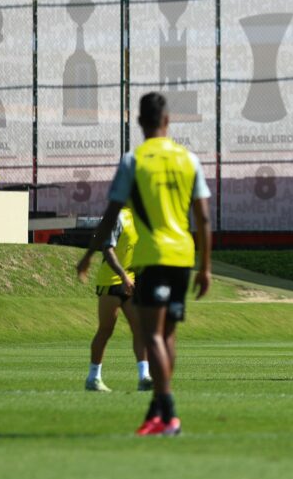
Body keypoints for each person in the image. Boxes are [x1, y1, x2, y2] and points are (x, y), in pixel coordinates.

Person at [77, 92, 212, 437]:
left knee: (151, 334)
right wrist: (207, 267)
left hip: (152, 258)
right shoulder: (189, 159)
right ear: (168, 121)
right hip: (183, 257)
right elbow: (204, 218)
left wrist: (90, 253)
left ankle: (169, 413)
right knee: (168, 336)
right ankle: (156, 413)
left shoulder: (133, 160)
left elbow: (110, 213)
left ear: (139, 122)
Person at [82, 206, 152, 393]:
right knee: (106, 329)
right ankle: (93, 378)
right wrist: (122, 276)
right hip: (111, 281)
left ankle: (144, 377)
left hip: (131, 282)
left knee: (140, 328)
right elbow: (107, 249)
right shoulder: (119, 216)